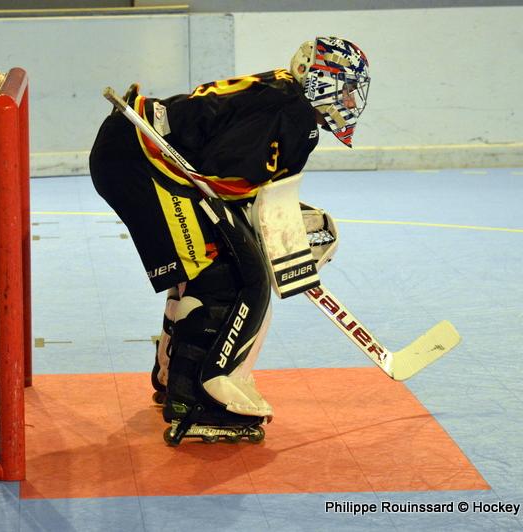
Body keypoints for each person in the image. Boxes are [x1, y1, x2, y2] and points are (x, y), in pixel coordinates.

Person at [90, 36, 370, 444]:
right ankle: (198, 400)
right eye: (344, 88)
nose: (349, 100)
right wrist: (276, 233)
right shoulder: (288, 111)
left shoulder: (289, 104)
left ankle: (174, 377)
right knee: (229, 276)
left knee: (211, 265)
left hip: (134, 150)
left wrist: (279, 222)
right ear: (321, 79)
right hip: (140, 157)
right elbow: (221, 179)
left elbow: (238, 179)